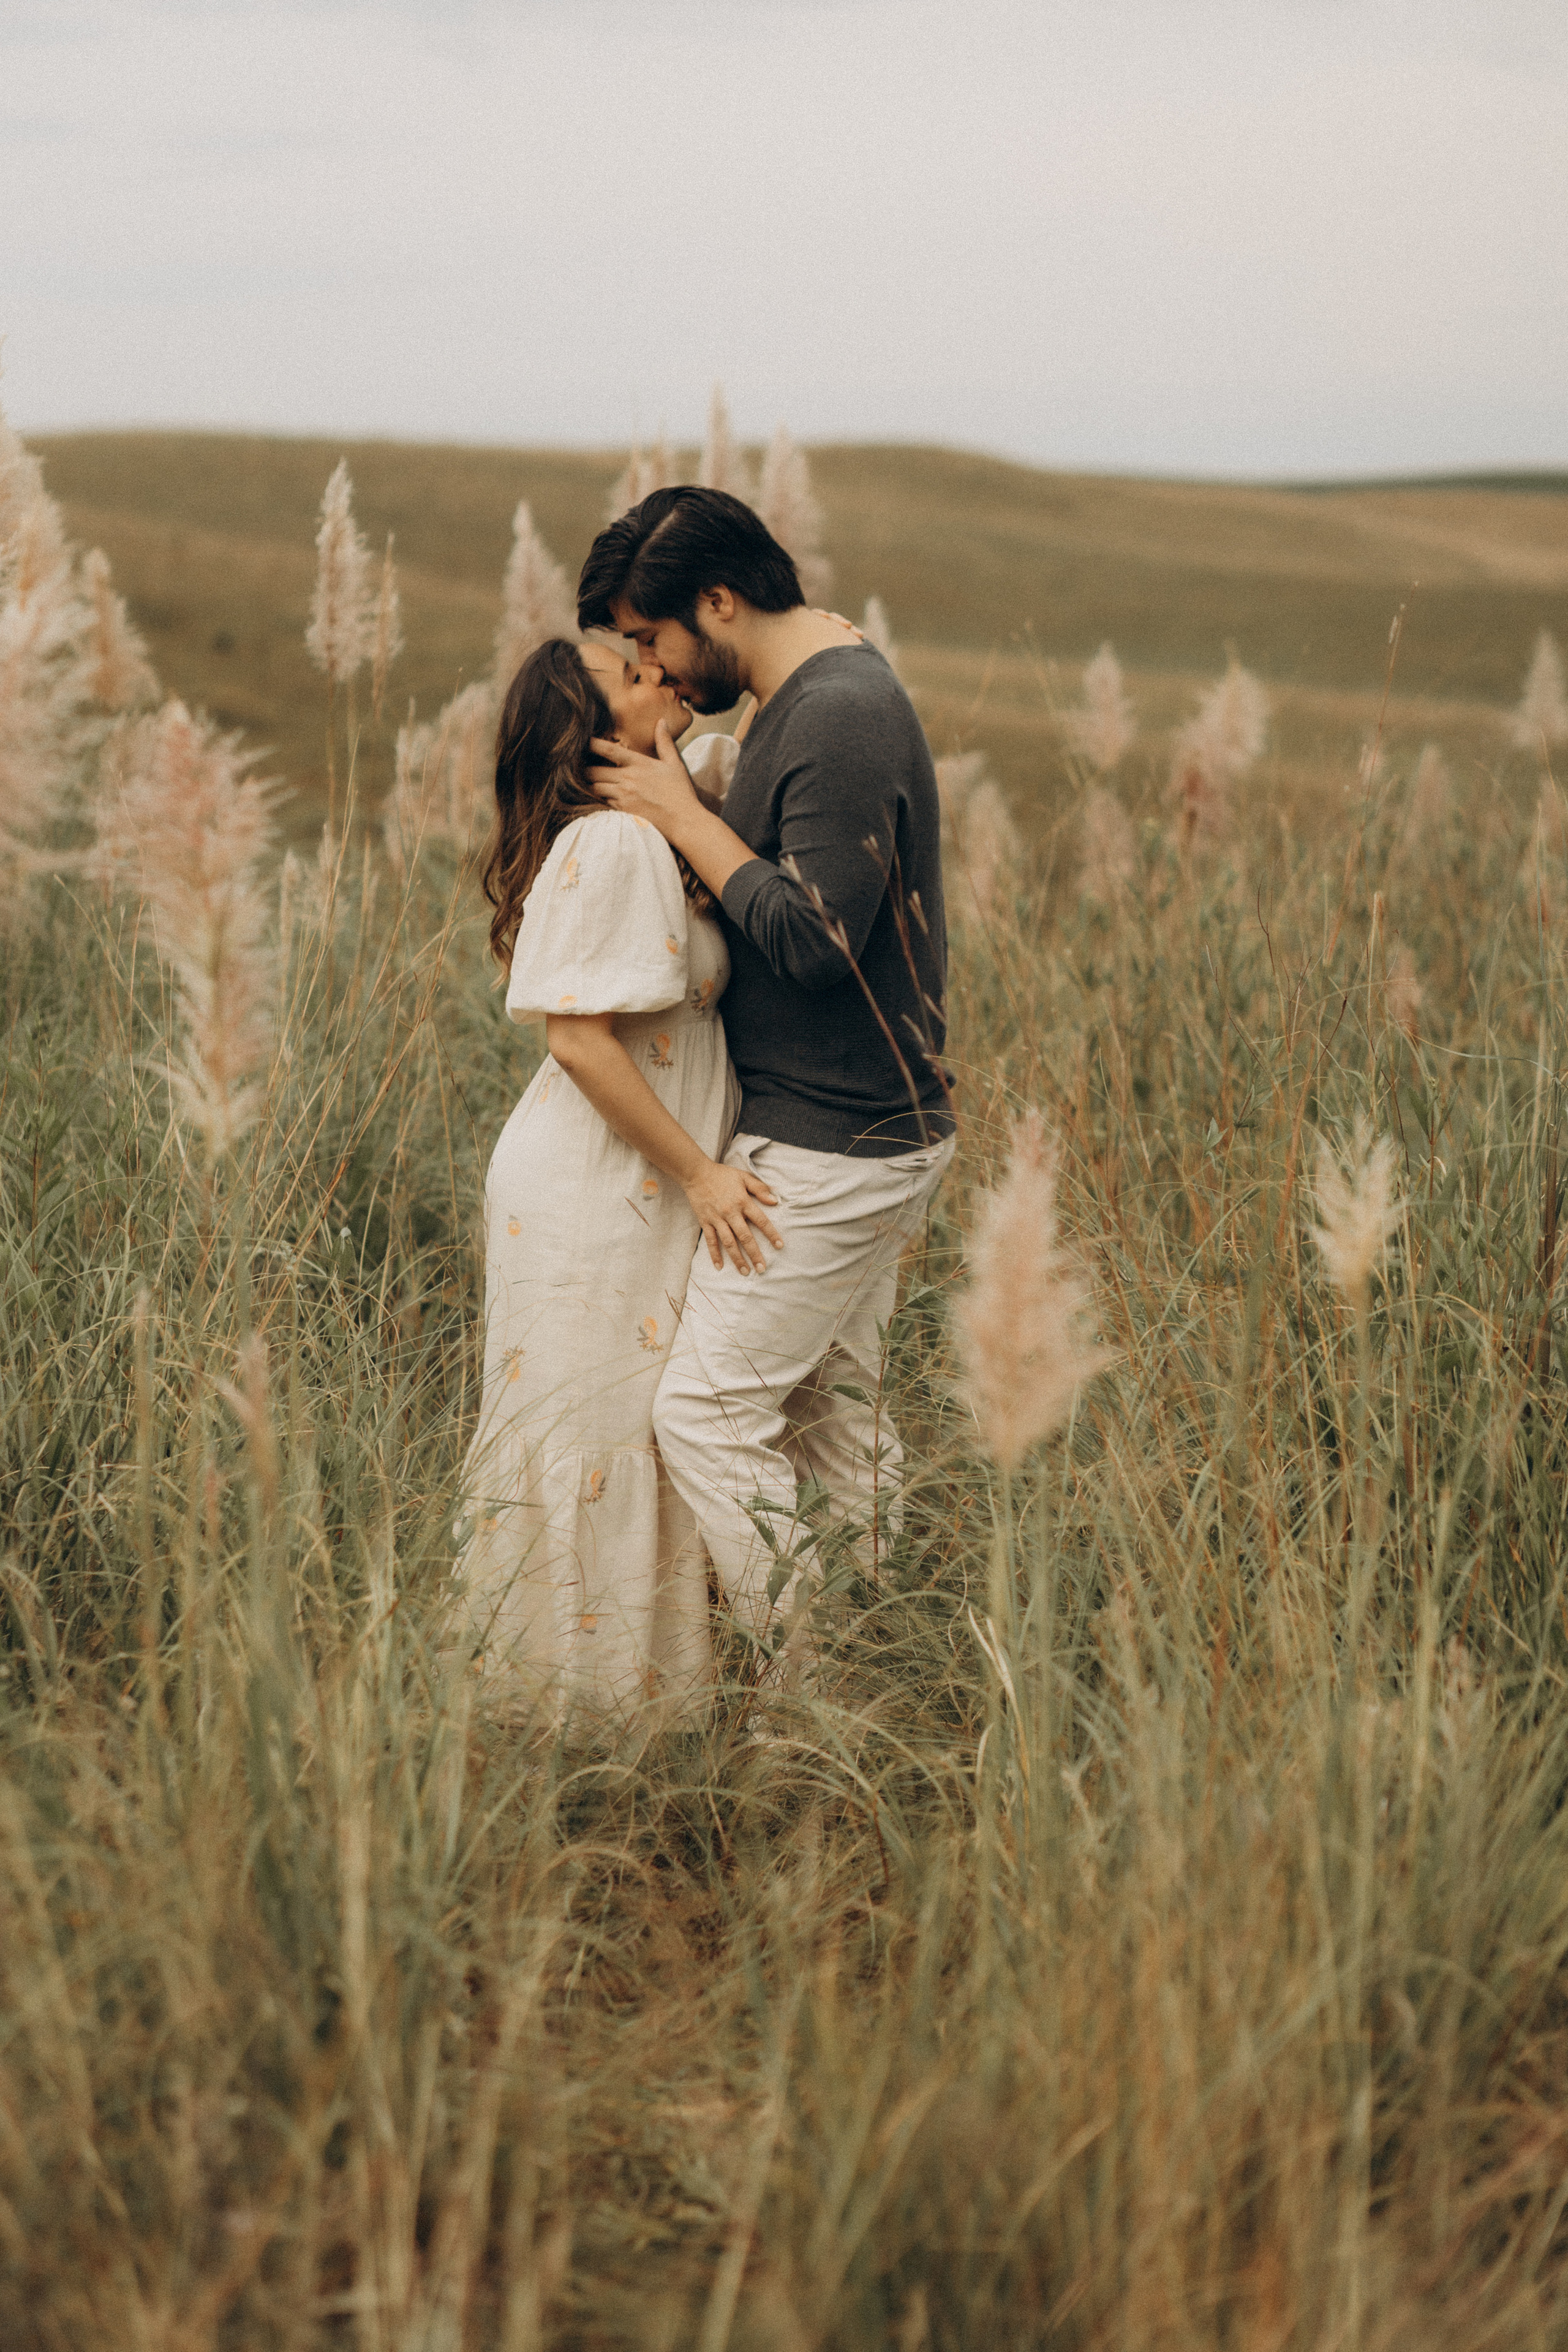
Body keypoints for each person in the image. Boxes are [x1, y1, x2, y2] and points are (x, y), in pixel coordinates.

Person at [579, 488, 955, 1680]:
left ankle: (816, 1681)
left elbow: (813, 943)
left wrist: (683, 819)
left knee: (705, 1415)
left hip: (834, 1138)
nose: (650, 666)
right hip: (858, 1125)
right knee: (836, 1416)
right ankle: (881, 1654)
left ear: (721, 601)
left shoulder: (837, 714)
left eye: (651, 638)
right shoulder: (818, 689)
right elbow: (787, 889)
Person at [454, 633, 782, 1721]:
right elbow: (578, 1040)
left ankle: (620, 1714)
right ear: (592, 744)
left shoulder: (659, 825)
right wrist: (701, 1176)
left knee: (621, 1429)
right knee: (595, 1432)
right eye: (630, 680)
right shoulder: (616, 847)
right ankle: (580, 1722)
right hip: (599, 1188)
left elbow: (749, 757)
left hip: (619, 1181)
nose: (656, 675)